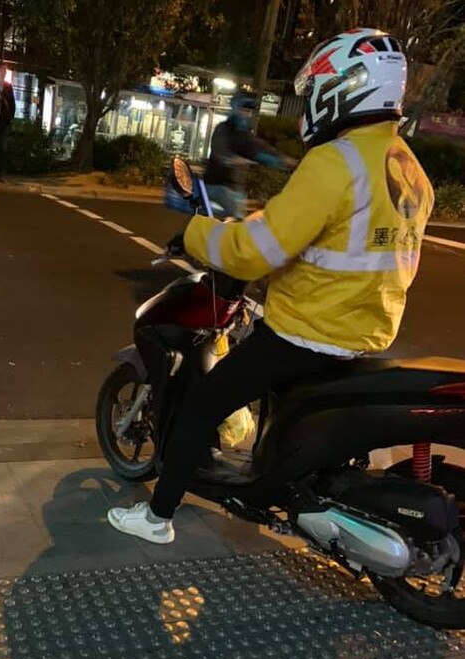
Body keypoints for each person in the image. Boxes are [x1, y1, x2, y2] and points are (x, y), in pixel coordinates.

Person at [107, 27, 435, 545]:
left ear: (343, 88)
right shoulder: (409, 168)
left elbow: (251, 252)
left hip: (307, 333)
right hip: (367, 332)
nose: (308, 104)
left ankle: (156, 518)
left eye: (314, 91)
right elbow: (331, 233)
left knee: (202, 405)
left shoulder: (337, 161)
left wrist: (195, 232)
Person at [204, 92, 296, 219]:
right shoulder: (223, 129)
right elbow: (219, 152)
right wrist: (234, 160)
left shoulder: (245, 134)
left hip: (234, 187)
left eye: (248, 110)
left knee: (239, 213)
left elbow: (260, 150)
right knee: (237, 217)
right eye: (243, 109)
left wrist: (282, 160)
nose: (246, 113)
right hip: (216, 184)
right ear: (235, 108)